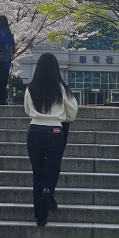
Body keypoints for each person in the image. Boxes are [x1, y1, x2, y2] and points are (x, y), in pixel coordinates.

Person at [24, 52, 78, 226]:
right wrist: (59, 118)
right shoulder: (62, 89)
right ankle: (47, 193)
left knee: (37, 173)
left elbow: (27, 110)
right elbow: (72, 113)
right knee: (53, 168)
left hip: (34, 130)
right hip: (55, 131)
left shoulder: (31, 88)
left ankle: (38, 215)